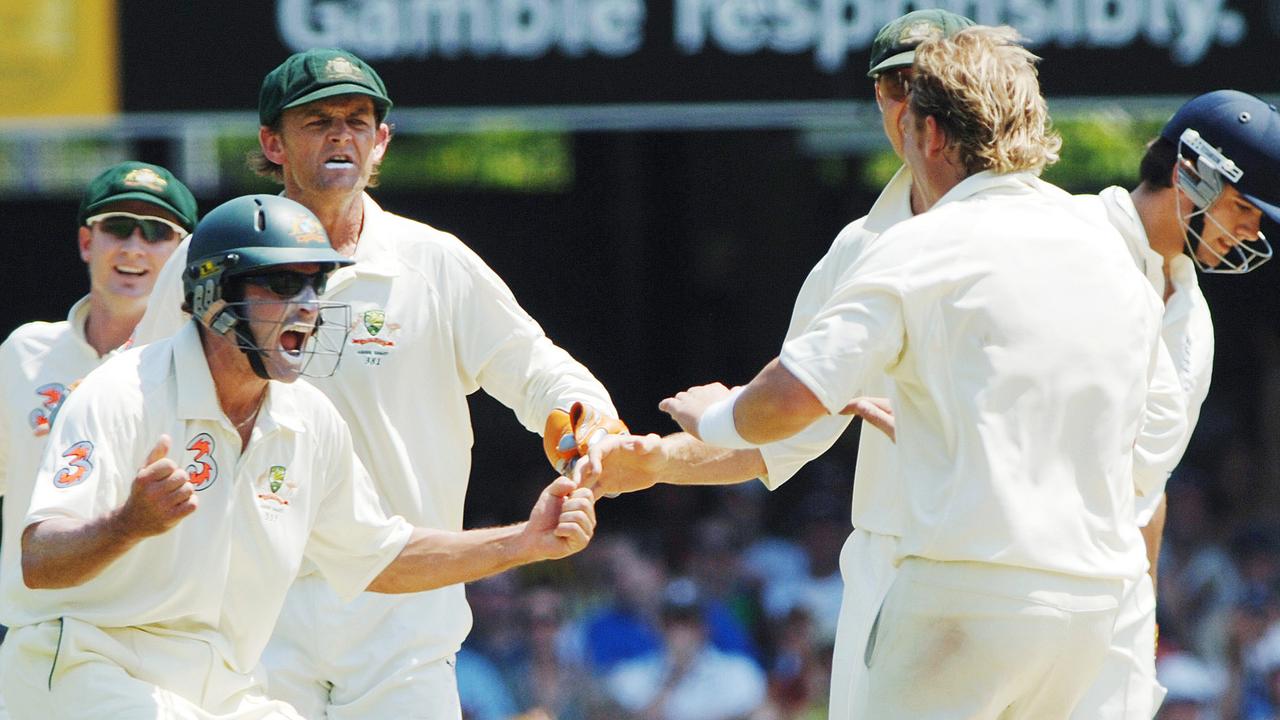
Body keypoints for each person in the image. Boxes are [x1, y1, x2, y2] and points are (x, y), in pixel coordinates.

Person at [577, 11, 1184, 720]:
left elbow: (785, 406)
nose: (902, 106)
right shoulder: (1103, 247)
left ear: (931, 125)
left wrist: (714, 411)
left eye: (918, 89)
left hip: (955, 583)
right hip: (1081, 594)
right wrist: (652, 462)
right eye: (892, 85)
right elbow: (782, 447)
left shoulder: (908, 248)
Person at [132, 48, 622, 718]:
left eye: (359, 120)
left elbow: (536, 367)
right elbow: (132, 396)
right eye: (318, 121)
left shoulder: (433, 262)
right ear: (272, 143)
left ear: (381, 141)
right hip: (253, 608)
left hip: (406, 614)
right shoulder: (210, 259)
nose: (342, 135)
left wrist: (584, 417)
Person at [0, 194, 597, 720]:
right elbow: (39, 558)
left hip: (218, 689)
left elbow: (380, 557)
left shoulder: (307, 419)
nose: (309, 305)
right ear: (213, 298)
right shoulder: (120, 392)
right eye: (283, 284)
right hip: (89, 670)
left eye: (317, 283)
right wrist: (127, 524)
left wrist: (524, 542)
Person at [1065, 89, 1280, 720]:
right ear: (1192, 171)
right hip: (1013, 583)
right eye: (1244, 206)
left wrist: (1142, 623)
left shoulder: (1193, 321)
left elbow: (1147, 492)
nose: (1252, 229)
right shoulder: (1065, 242)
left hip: (1111, 617)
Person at [0, 161, 198, 716]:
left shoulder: (200, 364)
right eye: (119, 226)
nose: (135, 246)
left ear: (184, 257)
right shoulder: (23, 354)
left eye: (158, 232)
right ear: (88, 241)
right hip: (38, 637)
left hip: (156, 641)